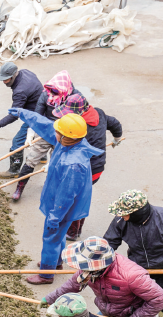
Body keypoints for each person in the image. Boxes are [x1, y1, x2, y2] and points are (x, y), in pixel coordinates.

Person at [6, 108, 103, 284]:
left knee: (51, 236)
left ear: (66, 135)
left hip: (63, 207)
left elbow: (66, 196)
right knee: (58, 236)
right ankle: (55, 263)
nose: (54, 132)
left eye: (57, 131)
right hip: (59, 201)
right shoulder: (69, 142)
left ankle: (46, 274)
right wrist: (23, 113)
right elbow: (44, 125)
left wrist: (55, 216)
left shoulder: (74, 164)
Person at [50, 95, 124, 240]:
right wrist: (117, 138)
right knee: (80, 197)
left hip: (83, 170)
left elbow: (68, 150)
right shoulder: (98, 113)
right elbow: (114, 123)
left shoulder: (77, 129)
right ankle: (76, 229)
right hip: (97, 169)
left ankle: (72, 231)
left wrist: (54, 164)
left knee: (72, 200)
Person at [12, 70, 84, 201]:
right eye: (52, 91)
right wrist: (30, 134)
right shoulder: (46, 94)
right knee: (31, 160)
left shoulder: (76, 97)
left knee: (56, 164)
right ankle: (19, 187)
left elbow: (81, 118)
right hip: (45, 131)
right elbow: (37, 115)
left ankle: (48, 185)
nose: (53, 94)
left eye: (56, 92)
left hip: (64, 135)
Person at [0, 62, 43, 179]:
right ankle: (42, 157)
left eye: (6, 79)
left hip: (35, 115)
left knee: (17, 142)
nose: (4, 82)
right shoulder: (26, 72)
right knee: (41, 134)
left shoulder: (20, 91)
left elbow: (13, 115)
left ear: (13, 76)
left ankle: (14, 170)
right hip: (43, 107)